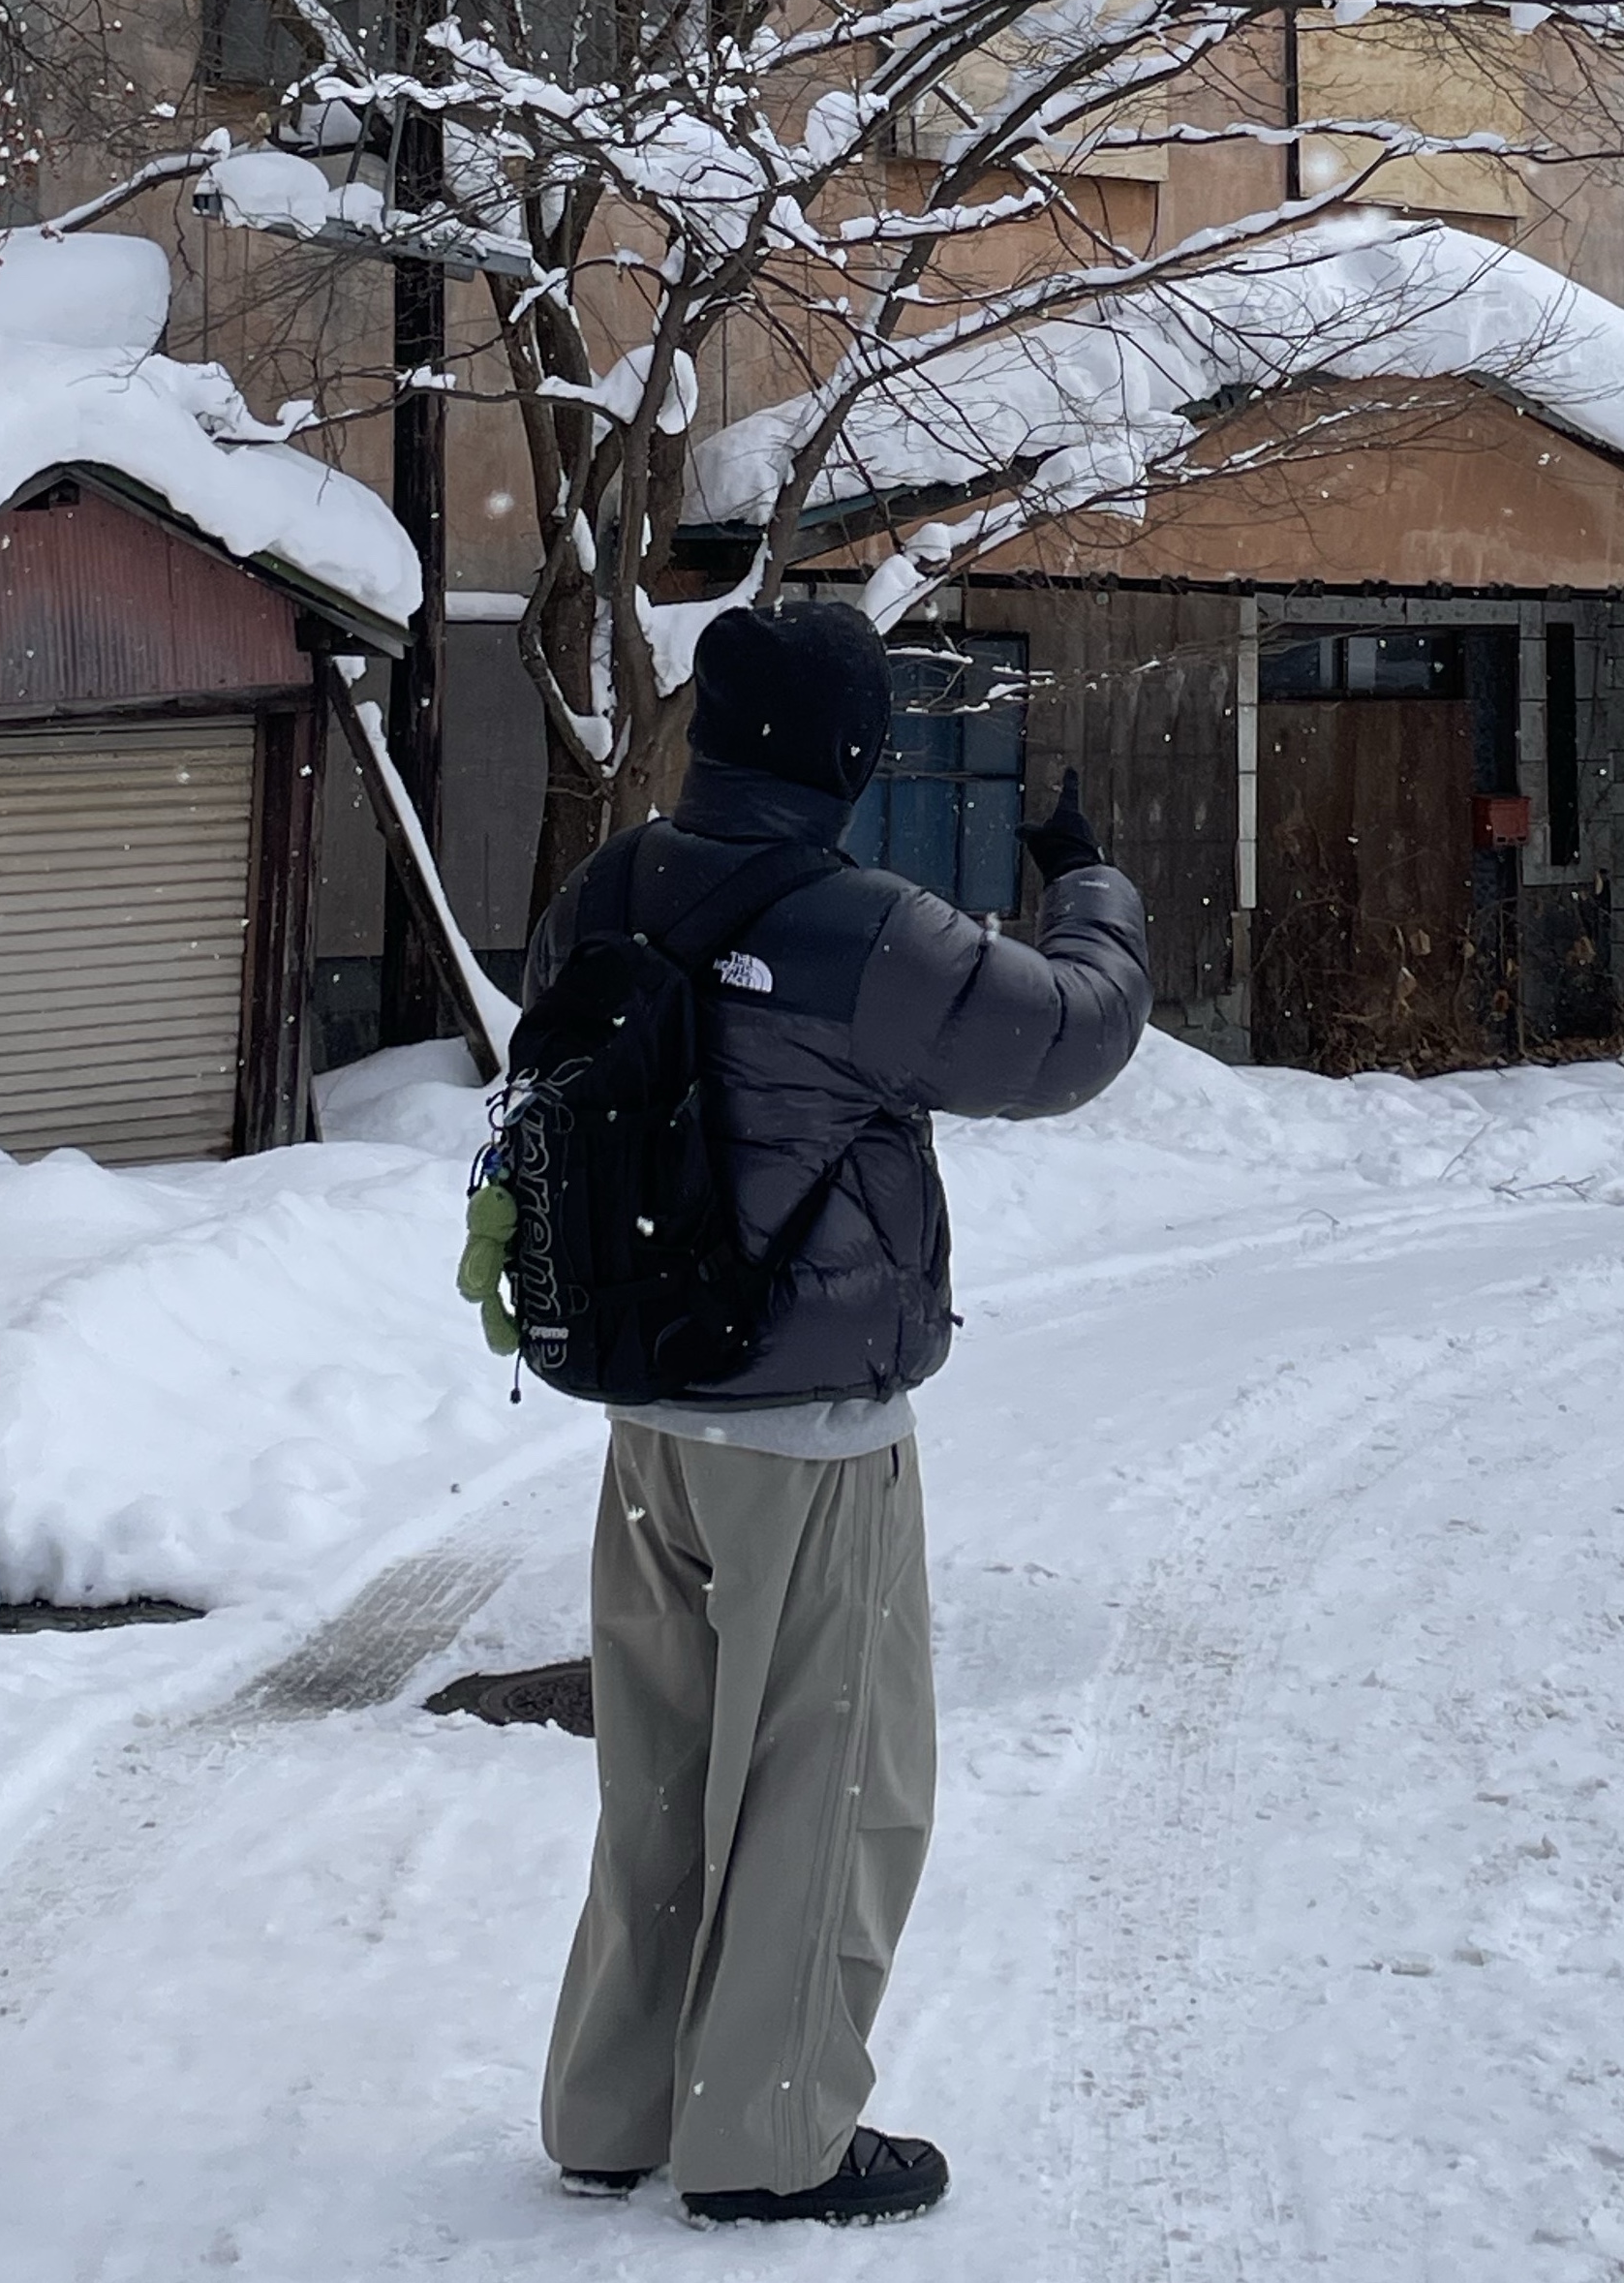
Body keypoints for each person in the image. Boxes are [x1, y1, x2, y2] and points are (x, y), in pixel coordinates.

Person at [526, 597, 1151, 2228]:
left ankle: (616, 2100)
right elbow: (1073, 1035)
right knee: (835, 1777)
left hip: (647, 1404)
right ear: (850, 755)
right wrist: (1088, 884)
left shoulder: (613, 883)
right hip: (808, 1434)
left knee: (657, 1767)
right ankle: (771, 2133)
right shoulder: (858, 927)